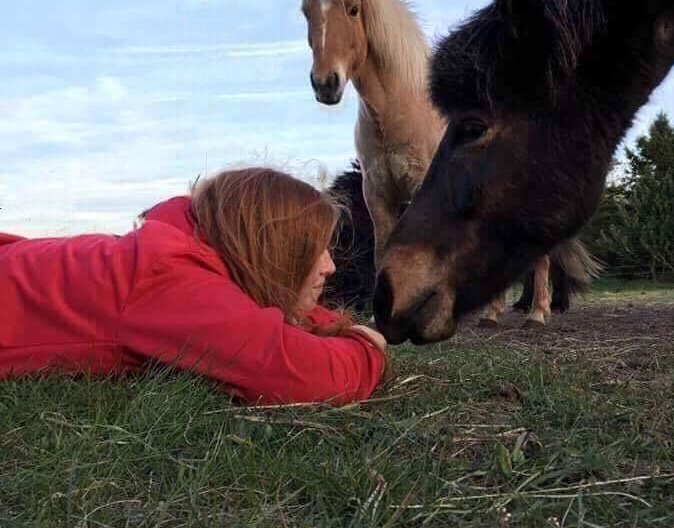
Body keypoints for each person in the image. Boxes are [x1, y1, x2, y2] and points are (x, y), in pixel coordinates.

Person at [0, 167, 387, 405]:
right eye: (312, 249)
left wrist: (326, 322)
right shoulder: (175, 284)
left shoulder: (183, 237)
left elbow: (261, 313)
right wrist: (368, 349)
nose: (330, 266)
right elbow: (301, 375)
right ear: (270, 248)